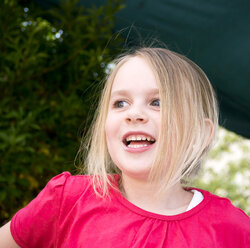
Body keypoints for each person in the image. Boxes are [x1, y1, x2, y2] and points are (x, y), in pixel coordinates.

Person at [0, 47, 249, 247]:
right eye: (120, 103)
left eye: (157, 102)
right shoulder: (67, 199)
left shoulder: (233, 229)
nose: (134, 113)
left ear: (200, 133)